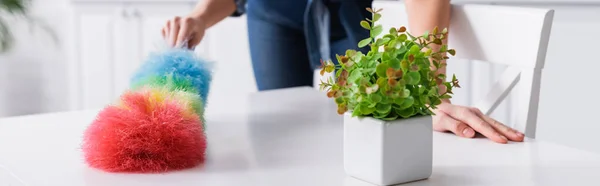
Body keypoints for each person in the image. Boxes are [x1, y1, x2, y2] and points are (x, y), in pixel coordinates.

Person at [161, 0, 525, 144]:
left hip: (352, 9)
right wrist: (199, 16)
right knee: (279, 128)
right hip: (274, 9)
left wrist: (428, 91)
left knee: (365, 130)